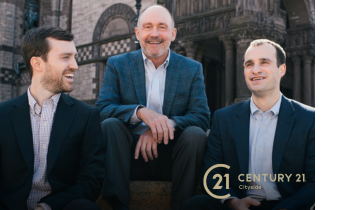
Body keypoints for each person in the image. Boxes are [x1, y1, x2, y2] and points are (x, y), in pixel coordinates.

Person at [96, 5, 210, 210]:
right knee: (110, 125)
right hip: (128, 158)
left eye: (162, 27)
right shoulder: (117, 64)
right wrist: (141, 112)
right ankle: (118, 205)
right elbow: (103, 109)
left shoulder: (192, 69)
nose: (155, 34)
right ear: (138, 33)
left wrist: (161, 127)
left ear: (173, 34)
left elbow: (201, 116)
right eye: (148, 27)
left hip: (172, 159)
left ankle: (182, 206)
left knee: (196, 134)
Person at [181, 39, 315, 210]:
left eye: (264, 62)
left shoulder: (309, 119)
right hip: (239, 204)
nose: (255, 70)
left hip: (287, 205)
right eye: (249, 64)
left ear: (282, 69)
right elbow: (211, 174)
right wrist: (232, 201)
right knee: (194, 206)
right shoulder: (224, 118)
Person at [0, 27, 106, 210]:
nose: (75, 65)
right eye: (65, 57)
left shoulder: (87, 116)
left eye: (74, 57)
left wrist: (46, 207)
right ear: (37, 64)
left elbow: (90, 181)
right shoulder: (2, 115)